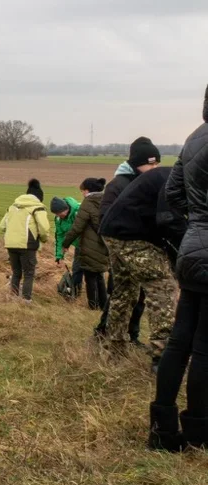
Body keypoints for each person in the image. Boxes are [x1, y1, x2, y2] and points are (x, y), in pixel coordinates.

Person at [152, 87, 208, 451]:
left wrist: (197, 224)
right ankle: (200, 433)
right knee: (204, 348)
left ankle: (163, 428)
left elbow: (172, 195)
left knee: (179, 340)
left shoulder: (193, 139)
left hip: (191, 250)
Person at [100, 163, 184, 372]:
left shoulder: (169, 175)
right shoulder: (172, 182)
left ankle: (114, 350)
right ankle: (162, 358)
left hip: (114, 232)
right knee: (163, 285)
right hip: (132, 235)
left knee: (124, 292)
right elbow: (170, 222)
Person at [96, 137, 162, 340]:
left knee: (138, 296)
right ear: (136, 163)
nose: (154, 167)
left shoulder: (149, 183)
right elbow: (105, 219)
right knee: (122, 294)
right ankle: (103, 333)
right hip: (124, 248)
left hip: (145, 249)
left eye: (156, 163)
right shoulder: (118, 185)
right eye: (149, 163)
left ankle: (132, 336)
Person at [0, 179, 50, 303]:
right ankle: (26, 300)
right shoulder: (37, 208)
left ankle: (13, 297)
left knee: (16, 272)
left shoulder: (13, 207)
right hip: (27, 244)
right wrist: (44, 239)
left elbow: (2, 226)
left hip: (10, 244)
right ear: (39, 197)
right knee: (29, 273)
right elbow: (44, 228)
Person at [61, 178, 109, 310]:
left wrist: (66, 243)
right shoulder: (107, 200)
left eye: (82, 191)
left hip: (89, 245)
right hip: (104, 244)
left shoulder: (88, 203)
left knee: (90, 278)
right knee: (99, 276)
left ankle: (93, 306)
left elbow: (77, 227)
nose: (82, 194)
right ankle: (103, 305)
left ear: (87, 191)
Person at [50, 195, 83, 298]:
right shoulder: (59, 219)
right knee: (77, 269)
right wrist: (59, 256)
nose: (58, 216)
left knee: (93, 272)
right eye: (56, 214)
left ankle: (97, 300)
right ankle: (74, 294)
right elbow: (59, 236)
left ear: (66, 209)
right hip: (79, 247)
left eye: (60, 213)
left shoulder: (80, 211)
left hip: (91, 245)